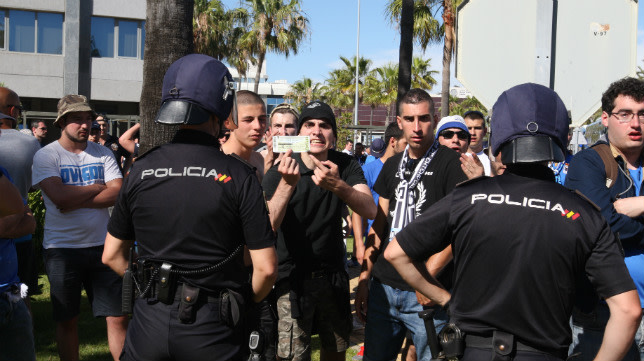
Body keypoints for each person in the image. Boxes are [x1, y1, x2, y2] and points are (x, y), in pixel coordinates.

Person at [384, 83, 642, 361]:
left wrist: (446, 300)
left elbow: (395, 253)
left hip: (471, 351)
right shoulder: (582, 213)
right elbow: (628, 310)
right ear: (560, 136)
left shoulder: (467, 197)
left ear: (501, 137)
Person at [102, 54, 277, 361]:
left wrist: (149, 286)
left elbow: (112, 255)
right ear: (223, 106)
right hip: (214, 329)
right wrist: (242, 302)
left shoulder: (140, 170)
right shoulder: (238, 175)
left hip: (147, 327)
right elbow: (266, 268)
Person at [355, 89, 467, 361]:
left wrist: (426, 279)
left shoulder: (452, 164)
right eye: (409, 119)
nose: (417, 127)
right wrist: (364, 278)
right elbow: (380, 225)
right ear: (399, 121)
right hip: (385, 289)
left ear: (434, 118)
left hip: (427, 291)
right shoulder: (392, 164)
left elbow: (461, 231)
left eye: (424, 118)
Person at [262, 100, 376, 361]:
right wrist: (287, 184)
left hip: (333, 277)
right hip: (292, 281)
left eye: (324, 126)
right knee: (292, 355)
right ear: (300, 134)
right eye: (309, 124)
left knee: (335, 351)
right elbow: (267, 227)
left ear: (334, 137)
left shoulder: (344, 165)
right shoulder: (282, 167)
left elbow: (370, 209)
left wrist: (339, 186)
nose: (316, 131)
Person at [32, 94, 127, 361]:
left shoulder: (104, 152)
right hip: (62, 250)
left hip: (103, 247)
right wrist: (98, 187)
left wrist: (75, 197)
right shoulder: (46, 155)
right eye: (77, 119)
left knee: (118, 317)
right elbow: (60, 199)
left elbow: (118, 193)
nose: (85, 125)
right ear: (61, 122)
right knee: (67, 320)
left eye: (88, 119)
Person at [565, 77, 644, 360]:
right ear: (606, 118)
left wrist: (636, 204)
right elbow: (602, 225)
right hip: (602, 311)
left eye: (642, 114)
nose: (635, 124)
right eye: (625, 114)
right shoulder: (589, 163)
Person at [0, 98, 41, 302]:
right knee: (21, 296)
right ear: (13, 110)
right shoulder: (30, 142)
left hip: (20, 223)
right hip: (21, 229)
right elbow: (36, 183)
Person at [0, 146, 36, 361]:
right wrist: (20, 212)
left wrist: (19, 213)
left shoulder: (2, 173)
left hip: (12, 295)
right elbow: (19, 210)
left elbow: (29, 223)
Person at [221, 90, 267, 180]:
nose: (257, 126)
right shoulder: (218, 160)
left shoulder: (259, 159)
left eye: (262, 119)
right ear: (228, 123)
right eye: (248, 120)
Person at [436, 115, 485, 180]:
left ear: (468, 143)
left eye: (462, 135)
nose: (456, 140)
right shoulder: (425, 167)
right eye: (448, 134)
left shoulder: (475, 171)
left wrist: (479, 181)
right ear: (437, 141)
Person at [261, 102, 299, 172]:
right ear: (270, 129)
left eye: (289, 126)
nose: (283, 132)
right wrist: (270, 158)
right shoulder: (259, 158)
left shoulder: (306, 158)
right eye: (278, 126)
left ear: (298, 130)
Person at [463, 110, 491, 175]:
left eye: (477, 128)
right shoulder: (456, 156)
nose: (473, 133)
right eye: (469, 128)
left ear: (485, 131)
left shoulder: (492, 157)